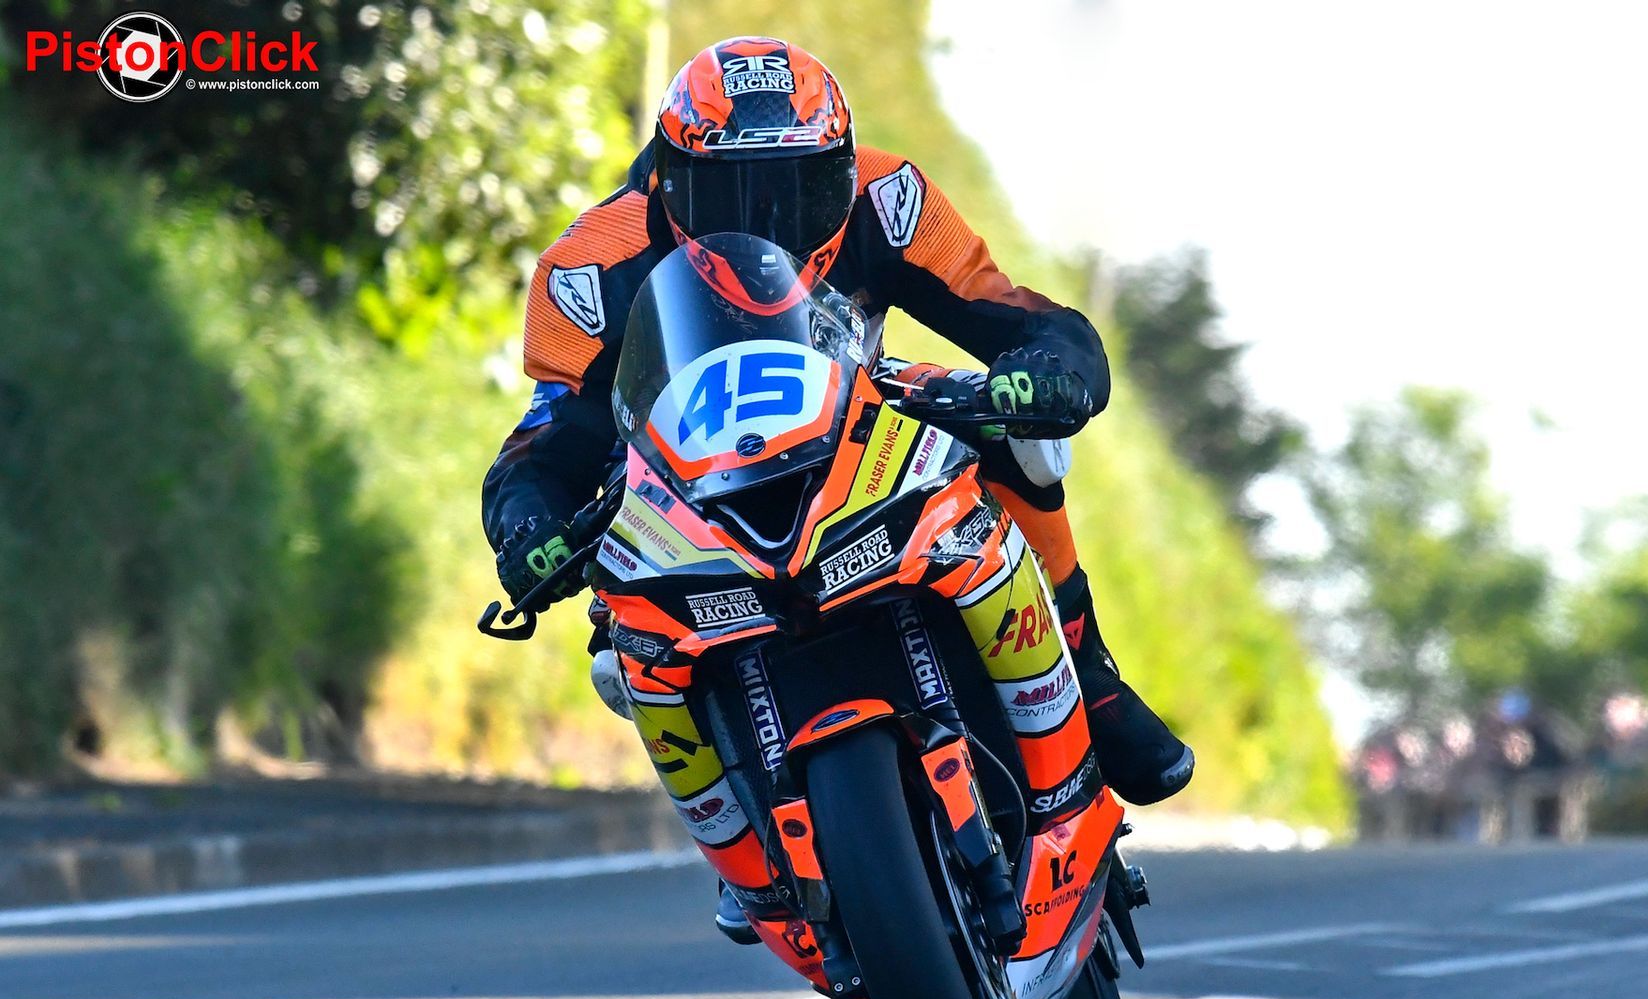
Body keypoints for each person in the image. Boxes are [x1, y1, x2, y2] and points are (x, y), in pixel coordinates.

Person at [481, 37, 1193, 929]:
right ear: (668, 182)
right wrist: (527, 522)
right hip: (690, 495)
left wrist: (1052, 369)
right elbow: (547, 439)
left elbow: (1006, 309)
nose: (768, 220)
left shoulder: (888, 199)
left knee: (1017, 437)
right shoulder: (590, 266)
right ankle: (740, 818)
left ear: (845, 170)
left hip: (859, 440)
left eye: (798, 188)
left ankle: (1089, 675)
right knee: (616, 637)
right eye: (732, 194)